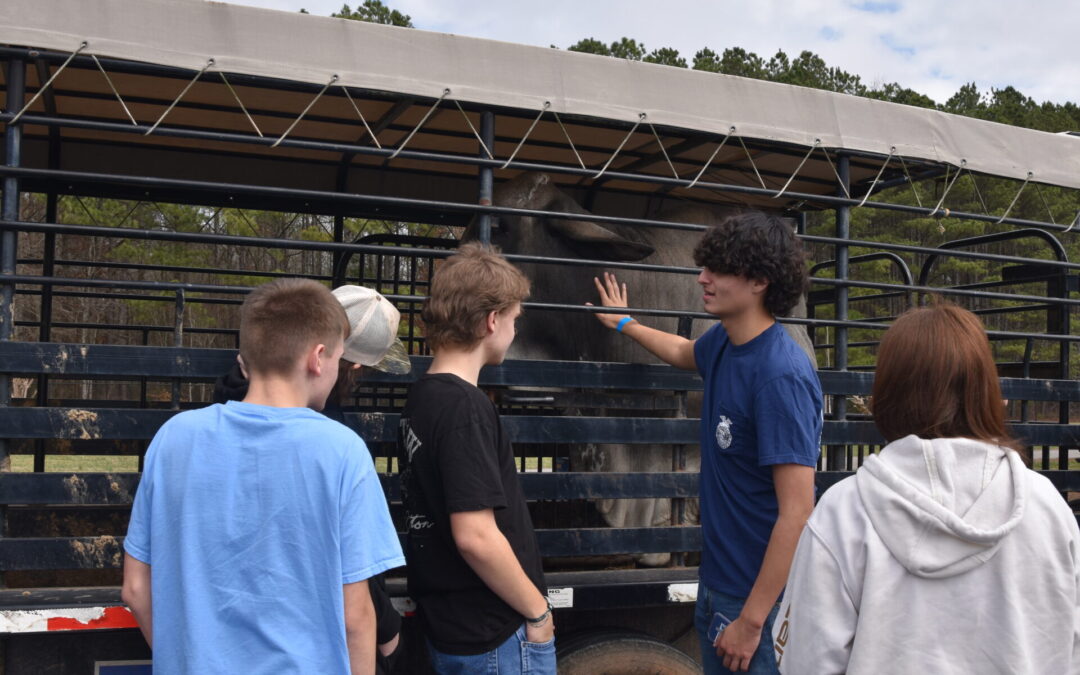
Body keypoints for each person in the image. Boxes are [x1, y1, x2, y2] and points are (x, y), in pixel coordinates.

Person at [772, 302, 1080, 674]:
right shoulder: (1047, 506)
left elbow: (807, 659)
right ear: (984, 388)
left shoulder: (844, 512)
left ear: (888, 391)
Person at [122, 278, 405, 674]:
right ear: (318, 357)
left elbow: (136, 589)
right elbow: (355, 615)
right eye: (339, 359)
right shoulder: (342, 450)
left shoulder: (173, 438)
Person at [590, 211, 822, 674]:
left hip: (756, 602)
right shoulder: (723, 343)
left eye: (717, 269)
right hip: (716, 585)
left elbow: (798, 513)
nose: (702, 278)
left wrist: (753, 621)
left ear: (758, 281)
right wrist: (624, 323)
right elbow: (682, 351)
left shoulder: (781, 375)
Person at [211, 284, 411, 675]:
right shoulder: (337, 444)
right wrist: (387, 629)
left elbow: (138, 588)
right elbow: (352, 581)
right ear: (331, 359)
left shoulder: (192, 429)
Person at [398, 243, 554, 674]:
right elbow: (474, 535)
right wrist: (538, 612)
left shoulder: (423, 396)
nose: (515, 331)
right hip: (492, 634)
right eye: (514, 319)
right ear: (491, 321)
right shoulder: (464, 407)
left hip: (450, 626)